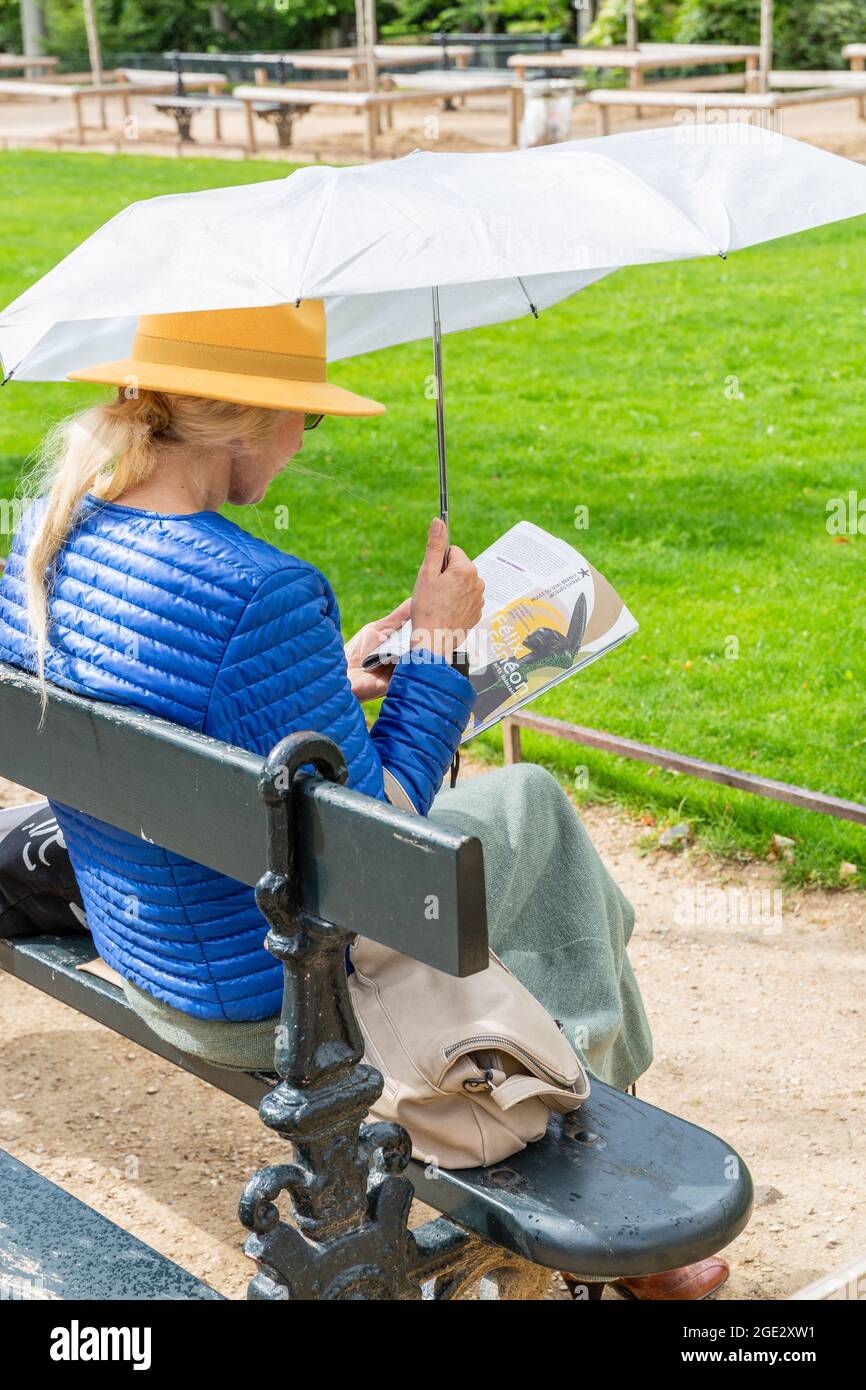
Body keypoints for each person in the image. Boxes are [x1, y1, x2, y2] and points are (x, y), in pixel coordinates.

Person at [0, 300, 726, 1300]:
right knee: (531, 809)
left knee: (509, 837)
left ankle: (582, 1128)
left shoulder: (50, 536)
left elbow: (185, 707)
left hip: (147, 941)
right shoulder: (260, 588)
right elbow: (377, 837)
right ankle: (593, 1167)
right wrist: (435, 649)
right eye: (306, 416)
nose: (302, 443)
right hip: (273, 996)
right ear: (246, 416)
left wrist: (327, 679)